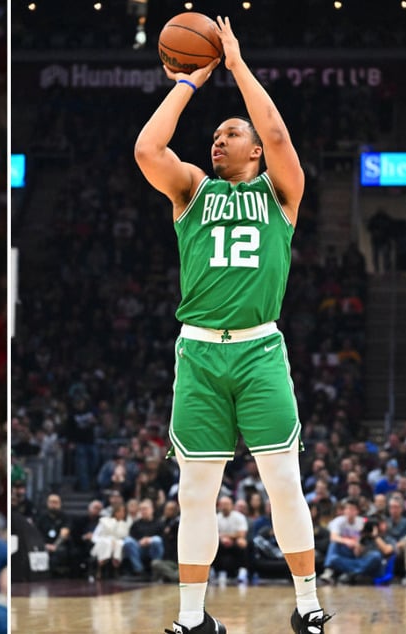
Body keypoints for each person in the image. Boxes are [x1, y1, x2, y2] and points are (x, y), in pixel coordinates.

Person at [134, 16, 329, 634]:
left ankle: (307, 605)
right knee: (195, 494)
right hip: (197, 353)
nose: (219, 140)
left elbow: (275, 129)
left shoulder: (282, 191)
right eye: (215, 135)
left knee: (283, 483)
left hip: (259, 351)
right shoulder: (191, 188)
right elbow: (147, 149)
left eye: (230, 133)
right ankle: (193, 618)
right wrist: (190, 80)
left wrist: (237, 66)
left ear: (254, 150)